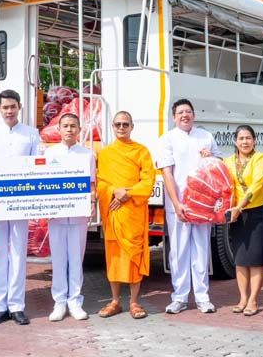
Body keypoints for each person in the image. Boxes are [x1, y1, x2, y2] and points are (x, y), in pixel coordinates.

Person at [0, 90, 40, 326]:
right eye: (5, 107)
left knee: (18, 253)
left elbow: (37, 168)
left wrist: (32, 200)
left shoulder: (31, 134)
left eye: (13, 106)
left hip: (21, 203)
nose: (9, 111)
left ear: (20, 107)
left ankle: (17, 306)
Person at [154, 98, 223, 314]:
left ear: (194, 115)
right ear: (174, 117)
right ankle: (180, 297)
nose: (185, 115)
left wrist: (210, 156)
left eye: (188, 111)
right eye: (180, 112)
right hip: (180, 203)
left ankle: (203, 297)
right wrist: (176, 203)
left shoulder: (206, 136)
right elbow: (167, 173)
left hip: (203, 203)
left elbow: (219, 165)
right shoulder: (167, 139)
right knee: (179, 250)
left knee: (201, 249)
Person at [96, 111, 156, 320]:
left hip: (133, 211)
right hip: (113, 212)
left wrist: (127, 194)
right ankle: (114, 301)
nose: (121, 127)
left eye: (125, 124)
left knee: (133, 256)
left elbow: (148, 181)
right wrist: (114, 190)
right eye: (117, 124)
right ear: (112, 127)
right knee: (113, 257)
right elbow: (101, 182)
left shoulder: (142, 151)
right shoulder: (105, 153)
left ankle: (134, 302)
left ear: (132, 126)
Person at [44, 113, 97, 322]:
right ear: (59, 129)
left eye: (73, 126)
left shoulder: (87, 154)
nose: (69, 129)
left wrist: (91, 203)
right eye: (65, 126)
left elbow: (91, 184)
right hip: (55, 215)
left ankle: (75, 300)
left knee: (76, 258)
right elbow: (44, 183)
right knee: (58, 259)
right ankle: (59, 301)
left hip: (78, 214)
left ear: (79, 129)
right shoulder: (49, 154)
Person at [224, 125, 263, 317]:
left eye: (248, 138)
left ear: (254, 140)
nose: (245, 142)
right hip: (236, 214)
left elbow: (257, 185)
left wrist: (239, 206)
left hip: (255, 211)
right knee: (240, 259)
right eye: (241, 138)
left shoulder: (261, 158)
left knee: (256, 259)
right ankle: (242, 298)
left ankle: (253, 300)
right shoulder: (228, 161)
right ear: (235, 141)